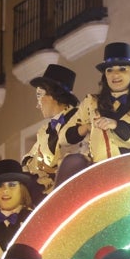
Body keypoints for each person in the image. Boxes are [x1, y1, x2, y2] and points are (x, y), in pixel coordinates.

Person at [66, 42, 130, 165]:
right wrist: (87, 127)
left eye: (122, 69)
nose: (115, 74)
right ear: (105, 75)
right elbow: (65, 137)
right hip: (98, 172)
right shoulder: (91, 103)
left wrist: (116, 125)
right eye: (109, 70)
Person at [23, 63, 85, 196]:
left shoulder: (80, 118)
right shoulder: (44, 131)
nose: (37, 105)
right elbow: (27, 161)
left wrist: (52, 169)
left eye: (39, 96)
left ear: (53, 94)